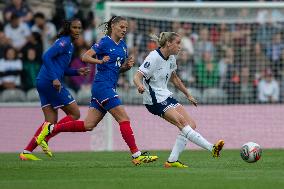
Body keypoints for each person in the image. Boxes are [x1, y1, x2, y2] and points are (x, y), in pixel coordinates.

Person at [35, 16, 158, 165]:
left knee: (88, 125)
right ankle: (136, 155)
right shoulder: (104, 42)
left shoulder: (123, 46)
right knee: (124, 119)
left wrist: (125, 67)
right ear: (113, 26)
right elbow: (85, 57)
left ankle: (51, 129)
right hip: (102, 86)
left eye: (126, 28)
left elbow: (114, 69)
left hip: (108, 86)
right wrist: (99, 61)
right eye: (121, 27)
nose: (124, 30)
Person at [133, 32, 224, 168]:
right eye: (178, 43)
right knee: (182, 122)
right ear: (169, 43)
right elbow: (137, 76)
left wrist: (188, 94)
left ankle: (172, 160)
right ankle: (212, 148)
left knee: (191, 124)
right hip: (154, 100)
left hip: (165, 95)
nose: (180, 47)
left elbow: (174, 78)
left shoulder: (171, 58)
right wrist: (140, 85)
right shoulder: (153, 57)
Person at [19, 18, 90, 160]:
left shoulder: (68, 44)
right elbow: (46, 56)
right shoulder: (64, 42)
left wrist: (77, 72)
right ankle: (45, 137)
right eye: (75, 28)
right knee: (75, 113)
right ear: (69, 28)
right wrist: (54, 79)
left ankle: (26, 152)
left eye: (79, 28)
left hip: (42, 81)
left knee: (50, 120)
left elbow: (61, 68)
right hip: (50, 82)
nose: (77, 30)